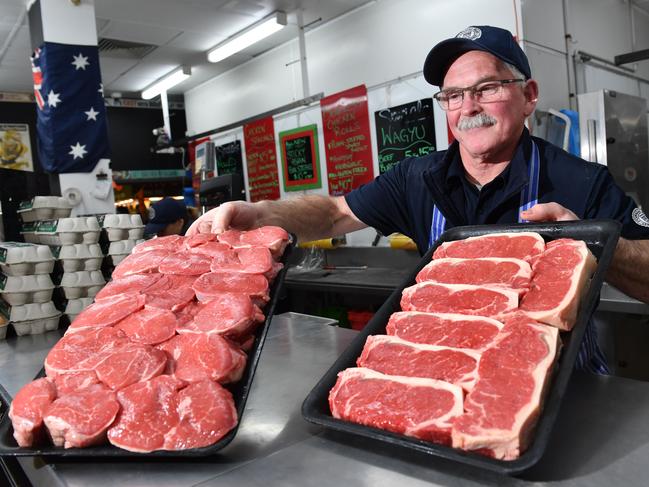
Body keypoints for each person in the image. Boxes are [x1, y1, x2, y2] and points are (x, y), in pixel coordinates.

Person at [188, 25, 649, 373]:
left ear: (528, 96)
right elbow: (332, 214)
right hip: (444, 370)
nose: (468, 107)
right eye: (452, 95)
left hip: (556, 381)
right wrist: (258, 212)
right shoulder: (417, 177)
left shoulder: (581, 181)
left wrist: (592, 244)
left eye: (487, 89)